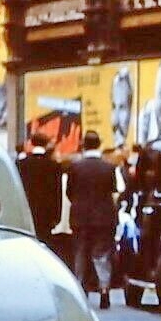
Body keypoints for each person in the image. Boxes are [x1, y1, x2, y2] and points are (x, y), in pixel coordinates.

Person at [67, 130, 120, 309]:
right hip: (104, 217)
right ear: (99, 144)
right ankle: (104, 289)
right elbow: (115, 191)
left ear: (84, 144)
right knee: (101, 254)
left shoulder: (75, 167)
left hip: (80, 216)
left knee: (80, 253)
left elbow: (69, 193)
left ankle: (80, 289)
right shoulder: (109, 168)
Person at [17, 134, 64, 247]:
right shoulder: (53, 166)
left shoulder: (21, 164)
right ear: (47, 144)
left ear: (32, 143)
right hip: (46, 212)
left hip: (26, 210)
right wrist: (57, 216)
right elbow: (57, 192)